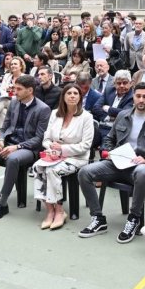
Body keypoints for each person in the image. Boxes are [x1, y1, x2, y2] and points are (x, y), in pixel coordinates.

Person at [77, 83, 145, 242]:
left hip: (141, 167)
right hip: (117, 163)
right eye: (138, 96)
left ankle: (134, 218)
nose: (141, 100)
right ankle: (98, 218)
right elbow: (109, 139)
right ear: (133, 97)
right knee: (84, 172)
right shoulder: (123, 115)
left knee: (143, 172)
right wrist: (110, 151)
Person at [0, 74, 51, 221]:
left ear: (30, 90)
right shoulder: (14, 102)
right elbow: (5, 125)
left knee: (12, 159)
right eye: (14, 87)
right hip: (8, 143)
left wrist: (17, 146)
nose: (15, 91)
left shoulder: (43, 109)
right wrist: (1, 139)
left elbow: (39, 139)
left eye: (19, 89)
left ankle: (2, 204)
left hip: (28, 149)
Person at [32, 84, 94, 230]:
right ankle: (49, 209)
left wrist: (62, 149)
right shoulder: (55, 114)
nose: (72, 96)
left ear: (80, 97)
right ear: (63, 97)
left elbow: (86, 145)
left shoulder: (86, 117)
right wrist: (51, 147)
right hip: (53, 156)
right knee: (37, 167)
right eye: (69, 93)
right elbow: (46, 139)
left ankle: (59, 211)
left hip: (76, 157)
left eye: (75, 93)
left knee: (52, 171)